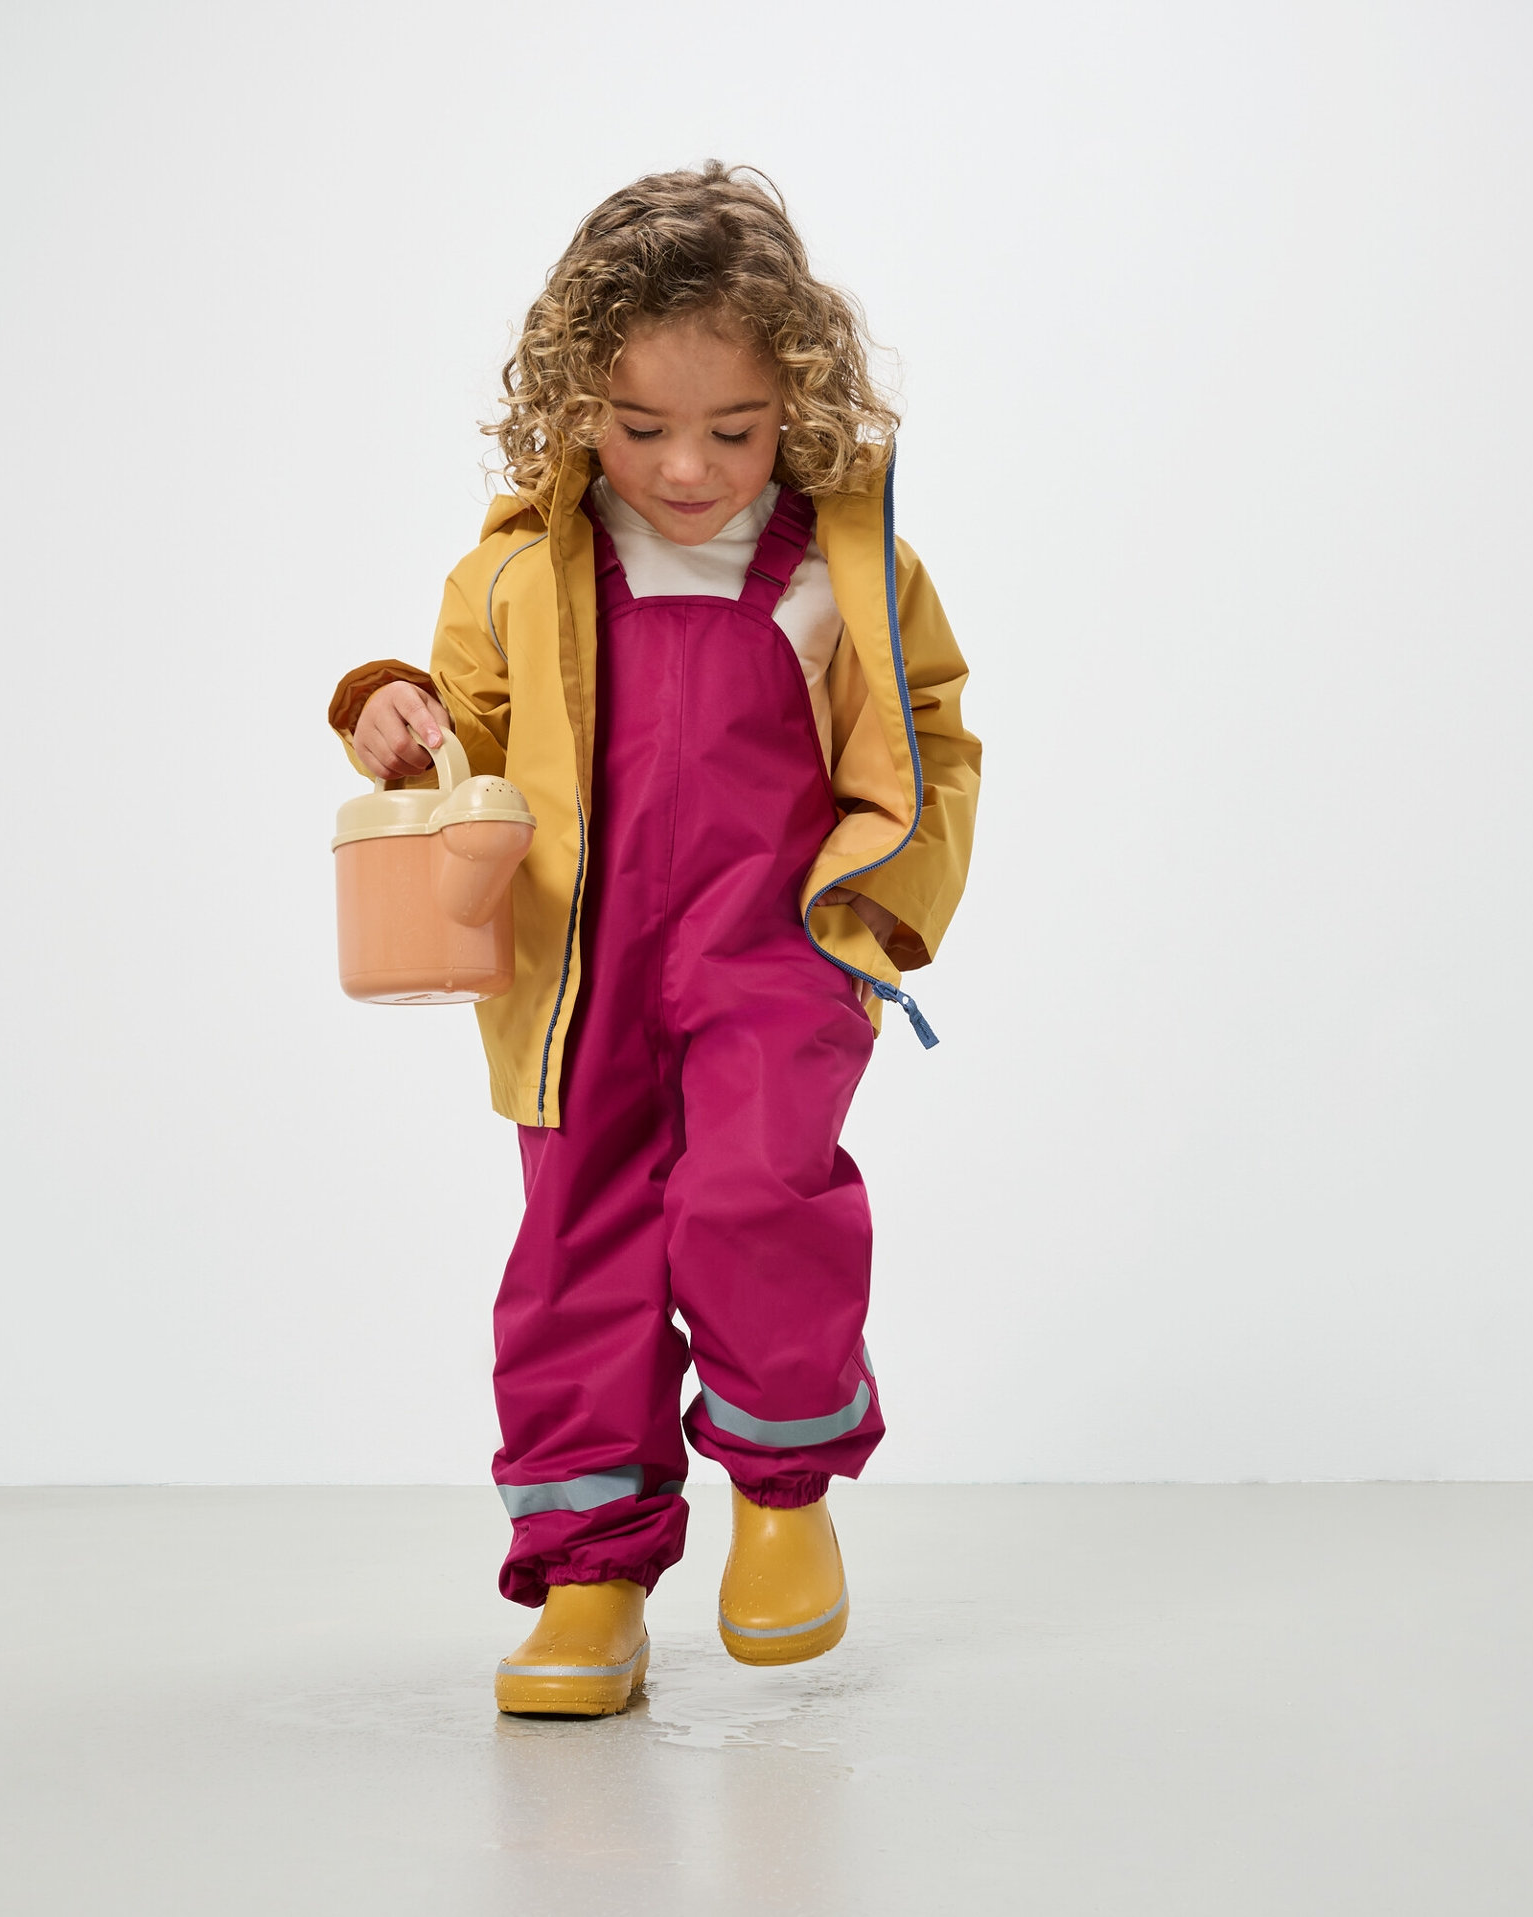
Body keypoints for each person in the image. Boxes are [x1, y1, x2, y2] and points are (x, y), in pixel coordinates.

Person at [327, 162, 980, 1715]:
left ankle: (780, 1492)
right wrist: (387, 710)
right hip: (575, 967)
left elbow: (934, 737)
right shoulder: (514, 575)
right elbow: (455, 725)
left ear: (794, 410)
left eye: (734, 432)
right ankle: (588, 1575)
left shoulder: (843, 573)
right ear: (571, 404)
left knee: (757, 1192)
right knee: (578, 1254)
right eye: (640, 428)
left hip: (773, 952)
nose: (687, 466)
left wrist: (882, 906)